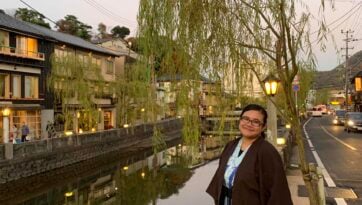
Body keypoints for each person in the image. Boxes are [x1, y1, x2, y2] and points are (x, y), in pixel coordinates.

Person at [206, 104, 293, 205]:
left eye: (256, 122)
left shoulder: (267, 152)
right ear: (240, 120)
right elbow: (220, 180)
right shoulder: (231, 146)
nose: (249, 124)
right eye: (245, 119)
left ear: (263, 126)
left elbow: (277, 191)